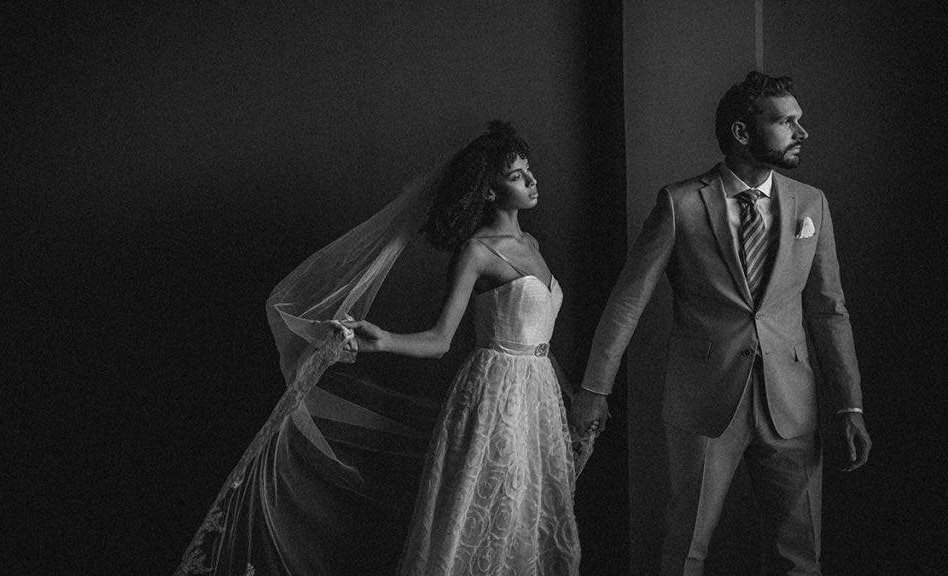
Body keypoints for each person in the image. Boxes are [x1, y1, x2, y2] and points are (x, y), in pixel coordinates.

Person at [570, 71, 873, 575]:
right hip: (704, 403)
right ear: (741, 133)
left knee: (801, 556)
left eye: (799, 121)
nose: (802, 132)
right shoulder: (680, 203)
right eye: (785, 122)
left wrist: (849, 404)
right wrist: (594, 389)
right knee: (686, 550)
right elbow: (628, 302)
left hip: (792, 404)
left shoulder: (810, 203)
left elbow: (829, 310)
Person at [346, 119, 583, 575]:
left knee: (529, 520)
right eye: (517, 176)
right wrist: (385, 340)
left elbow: (538, 340)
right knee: (493, 514)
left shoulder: (531, 242)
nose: (532, 181)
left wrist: (569, 395)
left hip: (539, 398)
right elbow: (440, 341)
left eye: (529, 171)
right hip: (496, 397)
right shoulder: (477, 252)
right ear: (491, 192)